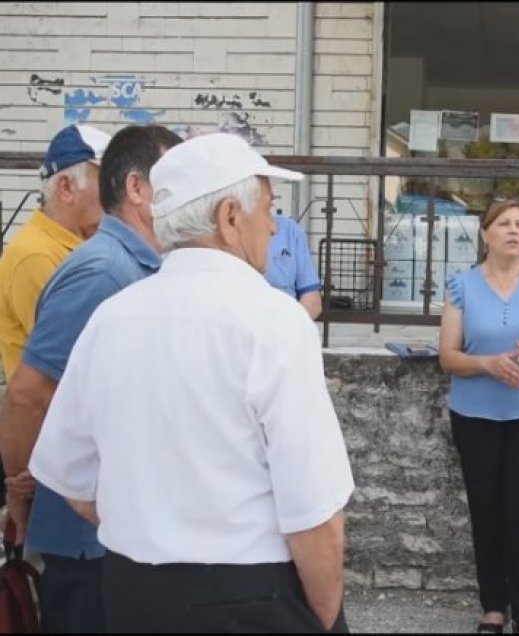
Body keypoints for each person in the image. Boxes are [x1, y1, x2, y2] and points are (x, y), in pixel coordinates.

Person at [26, 132, 354, 633]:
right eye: (266, 208)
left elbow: (68, 472)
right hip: (250, 595)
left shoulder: (114, 317)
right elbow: (316, 517)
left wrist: (150, 531)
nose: (272, 226)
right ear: (228, 218)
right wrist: (326, 621)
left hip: (134, 590)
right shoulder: (274, 321)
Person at [0, 124, 182, 633]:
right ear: (138, 191)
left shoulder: (132, 264)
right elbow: (29, 392)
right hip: (86, 535)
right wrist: (19, 491)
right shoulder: (103, 272)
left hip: (111, 527)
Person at [438, 198, 519, 635]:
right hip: (475, 416)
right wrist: (487, 364)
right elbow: (448, 357)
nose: (516, 231)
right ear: (486, 234)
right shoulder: (461, 286)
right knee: (486, 509)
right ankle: (493, 607)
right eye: (505, 224)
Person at [0, 124, 110, 515]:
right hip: (50, 454)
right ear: (66, 187)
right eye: (105, 180)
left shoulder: (76, 248)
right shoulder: (38, 256)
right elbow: (58, 374)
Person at [265, 213, 323, 319]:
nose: (273, 230)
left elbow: (312, 300)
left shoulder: (289, 229)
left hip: (286, 325)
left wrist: (290, 329)